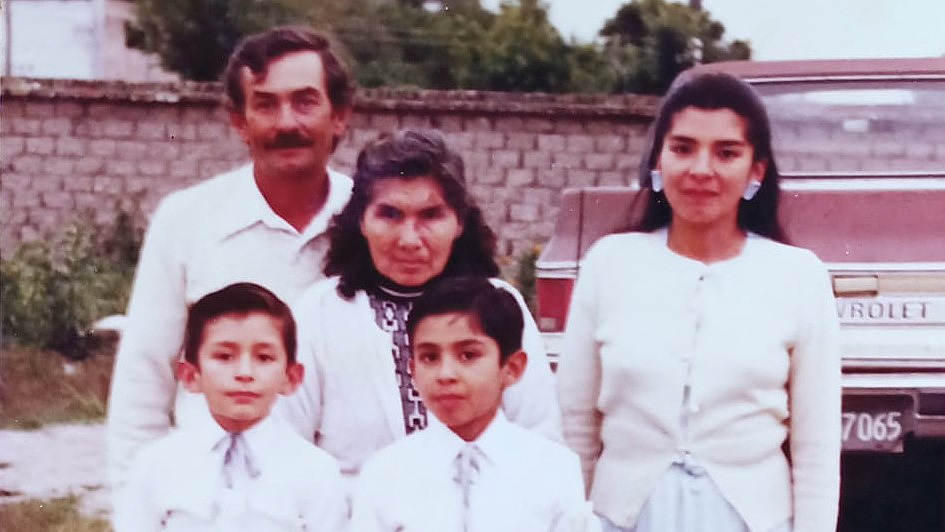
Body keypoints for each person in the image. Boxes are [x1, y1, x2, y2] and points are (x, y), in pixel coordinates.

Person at [556, 70, 841, 532]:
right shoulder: (609, 264)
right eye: (683, 148)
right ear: (658, 160)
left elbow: (817, 449)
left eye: (726, 153)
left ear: (756, 171)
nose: (701, 170)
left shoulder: (798, 276)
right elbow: (574, 428)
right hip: (620, 517)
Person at [106, 25, 355, 494]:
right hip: (212, 498)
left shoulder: (375, 223)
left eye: (305, 102)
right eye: (266, 104)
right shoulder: (187, 219)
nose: (286, 123)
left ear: (339, 115)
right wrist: (133, 502)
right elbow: (144, 379)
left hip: (338, 498)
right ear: (239, 121)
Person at [277, 129, 561, 487]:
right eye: (390, 215)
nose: (409, 239)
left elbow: (541, 444)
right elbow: (285, 451)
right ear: (361, 220)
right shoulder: (319, 313)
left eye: (431, 215)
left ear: (459, 222)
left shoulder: (501, 305)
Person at [350, 277, 595, 532]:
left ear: (512, 368)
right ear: (412, 369)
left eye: (468, 355)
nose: (446, 374)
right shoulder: (386, 473)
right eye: (430, 357)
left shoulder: (552, 469)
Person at [112, 282, 347, 532]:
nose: (244, 373)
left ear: (291, 377)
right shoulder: (157, 463)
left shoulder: (315, 471)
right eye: (224, 356)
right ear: (191, 375)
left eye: (264, 357)